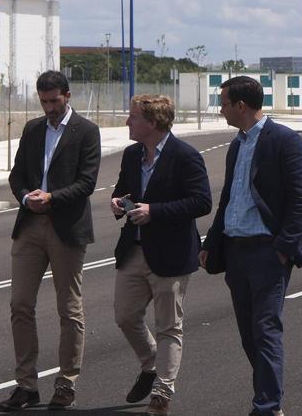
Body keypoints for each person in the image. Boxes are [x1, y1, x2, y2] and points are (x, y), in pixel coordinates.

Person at [200, 76, 302, 416]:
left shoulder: (285, 141)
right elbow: (229, 199)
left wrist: (283, 248)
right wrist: (213, 241)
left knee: (265, 328)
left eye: (223, 104)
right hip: (236, 251)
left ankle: (267, 406)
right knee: (250, 333)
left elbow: (299, 200)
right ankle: (268, 396)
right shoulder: (236, 145)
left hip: (267, 251)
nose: (220, 110)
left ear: (241, 106)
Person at [0, 70, 101, 412]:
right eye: (43, 102)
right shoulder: (32, 129)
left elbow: (87, 182)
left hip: (66, 227)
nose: (49, 108)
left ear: (67, 96)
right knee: (20, 305)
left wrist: (52, 198)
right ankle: (26, 384)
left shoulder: (86, 131)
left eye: (54, 101)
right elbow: (16, 175)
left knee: (69, 309)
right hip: (30, 224)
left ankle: (66, 381)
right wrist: (27, 196)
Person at [110, 95, 212, 416]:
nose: (128, 122)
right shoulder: (131, 154)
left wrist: (155, 211)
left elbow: (201, 202)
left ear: (151, 123)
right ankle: (151, 364)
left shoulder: (186, 156)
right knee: (125, 316)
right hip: (135, 250)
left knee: (169, 326)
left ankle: (162, 393)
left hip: (171, 254)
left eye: (133, 117)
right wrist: (118, 202)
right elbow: (123, 189)